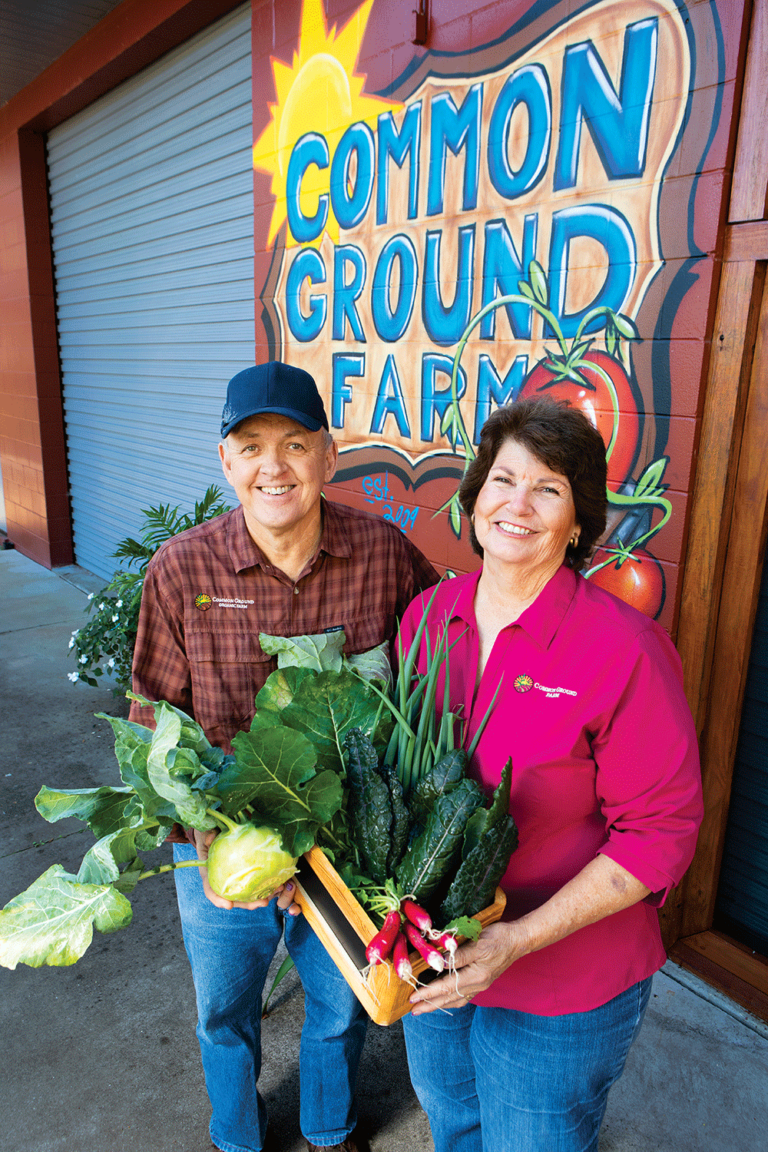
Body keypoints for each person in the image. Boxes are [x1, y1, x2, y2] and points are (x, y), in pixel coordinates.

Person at [129, 360, 437, 1152]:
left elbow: (438, 675)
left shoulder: (386, 556)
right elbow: (152, 721)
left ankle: (329, 1130)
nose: (274, 466)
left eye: (295, 445)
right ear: (225, 461)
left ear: (328, 457)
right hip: (228, 850)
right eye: (252, 445)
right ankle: (236, 1135)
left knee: (339, 1007)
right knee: (223, 1011)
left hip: (346, 853)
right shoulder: (182, 570)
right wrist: (212, 841)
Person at [396, 397, 703, 1152]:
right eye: (502, 479)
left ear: (577, 523)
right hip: (438, 951)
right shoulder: (429, 618)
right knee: (453, 1124)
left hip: (564, 978)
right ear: (473, 498)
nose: (518, 505)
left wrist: (519, 938)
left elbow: (659, 834)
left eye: (549, 489)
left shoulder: (622, 648)